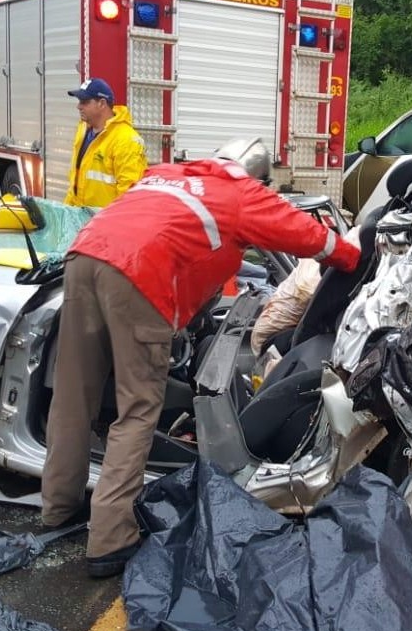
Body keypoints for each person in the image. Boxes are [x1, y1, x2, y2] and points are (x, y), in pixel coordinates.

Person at [40, 137, 361, 578]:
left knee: (74, 398)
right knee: (136, 413)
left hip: (84, 257)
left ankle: (58, 507)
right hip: (139, 275)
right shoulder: (240, 192)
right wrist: (354, 257)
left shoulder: (168, 173)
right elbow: (308, 237)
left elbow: (153, 227)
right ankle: (109, 542)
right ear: (259, 177)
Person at [64, 77, 147, 208]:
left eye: (84, 102)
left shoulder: (126, 140)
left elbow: (130, 197)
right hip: (83, 222)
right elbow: (75, 184)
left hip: (106, 225)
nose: (78, 106)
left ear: (102, 103)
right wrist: (67, 213)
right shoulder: (83, 131)